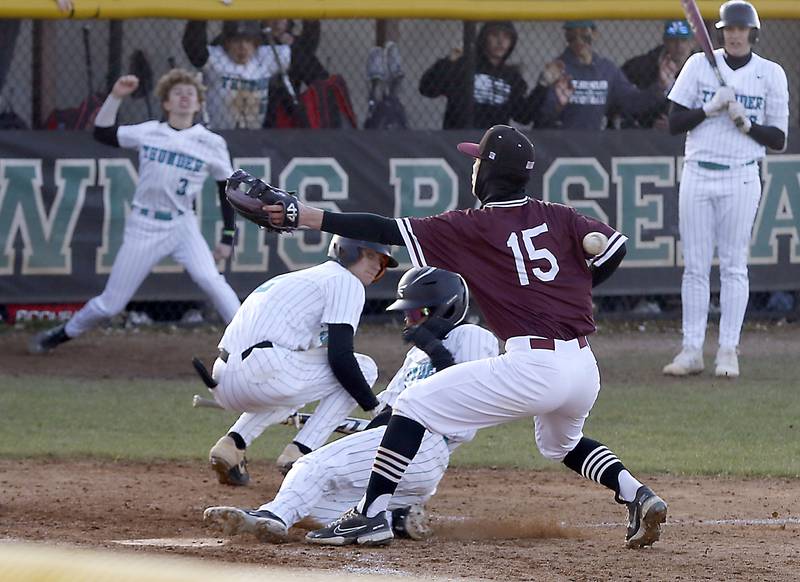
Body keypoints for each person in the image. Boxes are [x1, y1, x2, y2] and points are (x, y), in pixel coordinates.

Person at [242, 123, 669, 549]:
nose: (473, 167)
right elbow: (615, 248)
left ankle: (370, 516)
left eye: (477, 160)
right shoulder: (559, 215)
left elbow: (385, 229)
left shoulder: (474, 225)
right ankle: (637, 493)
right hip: (582, 367)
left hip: (533, 363)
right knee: (561, 444)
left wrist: (304, 215)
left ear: (486, 172)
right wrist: (576, 287)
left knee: (411, 405)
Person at [202, 267, 500, 542]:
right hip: (401, 457)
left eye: (417, 313)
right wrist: (355, 423)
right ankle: (396, 516)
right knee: (312, 508)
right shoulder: (414, 358)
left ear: (444, 309)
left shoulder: (471, 336)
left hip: (427, 447)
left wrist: (435, 349)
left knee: (311, 466)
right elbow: (387, 416)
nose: (408, 321)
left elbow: (465, 396)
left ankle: (272, 516)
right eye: (406, 314)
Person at [28, 70, 241, 355]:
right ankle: (63, 333)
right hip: (144, 225)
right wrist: (115, 96)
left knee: (211, 280)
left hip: (182, 226)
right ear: (166, 103)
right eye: (177, 93)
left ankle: (249, 338)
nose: (185, 97)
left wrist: (228, 236)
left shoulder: (211, 142)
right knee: (111, 304)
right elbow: (102, 133)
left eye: (191, 94)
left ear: (199, 103)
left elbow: (225, 188)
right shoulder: (149, 131)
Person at [203, 236, 398, 485]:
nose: (376, 266)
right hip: (263, 369)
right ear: (347, 252)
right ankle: (301, 453)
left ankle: (232, 444)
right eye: (371, 255)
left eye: (381, 261)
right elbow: (340, 357)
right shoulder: (346, 281)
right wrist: (376, 408)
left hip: (222, 375)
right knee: (363, 368)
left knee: (296, 381)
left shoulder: (299, 278)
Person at [662, 1, 788, 378]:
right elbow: (673, 123)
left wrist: (747, 125)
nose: (734, 35)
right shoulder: (699, 65)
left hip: (742, 174)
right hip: (699, 171)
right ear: (720, 32)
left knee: (734, 265)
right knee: (696, 267)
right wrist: (711, 109)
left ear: (753, 33)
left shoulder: (770, 73)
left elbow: (778, 138)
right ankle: (691, 350)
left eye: (741, 29)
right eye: (729, 29)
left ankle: (728, 350)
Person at [532, 20, 674, 130]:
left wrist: (660, 87)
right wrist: (556, 105)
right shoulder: (558, 68)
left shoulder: (606, 69)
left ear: (594, 33)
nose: (578, 39)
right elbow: (541, 118)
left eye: (583, 33)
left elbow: (632, 102)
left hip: (595, 144)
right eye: (572, 35)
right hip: (560, 144)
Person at [418, 21, 528, 129]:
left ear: (512, 42)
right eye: (495, 35)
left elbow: (522, 117)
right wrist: (448, 62)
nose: (500, 41)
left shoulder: (512, 76)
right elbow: (427, 89)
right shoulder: (463, 66)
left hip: (494, 141)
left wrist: (542, 86)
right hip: (459, 137)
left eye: (506, 37)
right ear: (484, 38)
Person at [182, 20, 290, 129]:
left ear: (256, 43)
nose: (242, 47)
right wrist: (199, 19)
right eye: (236, 41)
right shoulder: (216, 58)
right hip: (216, 131)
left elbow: (303, 53)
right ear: (227, 43)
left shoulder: (265, 57)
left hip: (254, 134)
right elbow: (193, 46)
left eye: (248, 40)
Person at [620, 20, 697, 129]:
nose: (679, 46)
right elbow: (628, 105)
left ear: (693, 42)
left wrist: (678, 123)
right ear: (665, 42)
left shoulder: (702, 67)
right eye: (673, 40)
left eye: (684, 40)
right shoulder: (641, 67)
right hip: (647, 134)